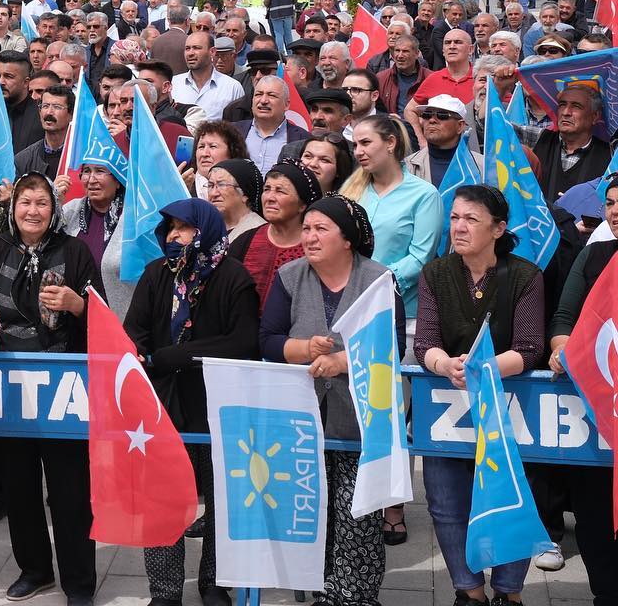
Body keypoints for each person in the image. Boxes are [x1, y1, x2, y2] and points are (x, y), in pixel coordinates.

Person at [260, 195, 397, 606]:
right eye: (307, 229)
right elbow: (267, 341)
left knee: (357, 511)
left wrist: (344, 360)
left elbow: (389, 344)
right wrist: (305, 349)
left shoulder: (378, 279)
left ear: (348, 239)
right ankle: (322, 588)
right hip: (304, 414)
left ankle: (355, 595)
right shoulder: (290, 276)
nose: (310, 237)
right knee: (312, 508)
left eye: (321, 229)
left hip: (361, 416)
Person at [0, 174, 102, 606]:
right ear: (14, 208)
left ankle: (79, 583)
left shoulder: (75, 251)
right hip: (7, 380)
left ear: (55, 210)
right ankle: (35, 569)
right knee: (18, 484)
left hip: (62, 381)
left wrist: (75, 305)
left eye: (42, 203)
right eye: (25, 202)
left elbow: (101, 321)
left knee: (69, 489)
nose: (32, 211)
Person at [416, 185, 547, 603]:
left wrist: (482, 368)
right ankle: (468, 591)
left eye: (471, 219)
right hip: (445, 405)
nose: (459, 227)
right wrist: (445, 364)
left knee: (512, 496)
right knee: (446, 504)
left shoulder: (525, 275)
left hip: (509, 405)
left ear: (498, 228)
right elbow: (425, 344)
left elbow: (529, 349)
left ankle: (509, 593)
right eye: (454, 218)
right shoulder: (435, 273)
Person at [128, 197, 259, 606]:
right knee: (161, 499)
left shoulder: (234, 277)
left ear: (204, 229)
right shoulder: (155, 275)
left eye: (183, 228)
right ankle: (165, 591)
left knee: (221, 500)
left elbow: (242, 342)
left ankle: (215, 583)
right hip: (163, 406)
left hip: (218, 405)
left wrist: (172, 357)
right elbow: (135, 332)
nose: (174, 237)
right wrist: (139, 353)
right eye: (169, 229)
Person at [549, 178, 618, 602]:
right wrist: (561, 349)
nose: (615, 211)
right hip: (596, 415)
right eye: (610, 203)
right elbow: (564, 319)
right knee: (595, 520)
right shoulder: (594, 255)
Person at [340, 115, 442, 328]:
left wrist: (375, 281)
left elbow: (420, 257)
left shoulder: (425, 195)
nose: (358, 151)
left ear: (390, 143)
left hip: (401, 312)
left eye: (366, 143)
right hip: (348, 307)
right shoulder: (349, 190)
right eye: (355, 144)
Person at [229, 160, 324, 309]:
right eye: (267, 189)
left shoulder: (314, 249)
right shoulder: (245, 241)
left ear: (302, 205)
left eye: (280, 191)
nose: (269, 198)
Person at [59, 164, 126, 316]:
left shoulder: (133, 216)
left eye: (100, 171)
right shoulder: (70, 210)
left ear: (117, 180)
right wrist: (52, 201)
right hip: (75, 321)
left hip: (119, 320)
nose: (91, 179)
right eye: (86, 171)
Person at [205, 158, 266, 240]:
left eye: (222, 185)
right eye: (210, 186)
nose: (213, 193)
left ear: (244, 194)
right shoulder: (206, 228)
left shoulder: (258, 233)